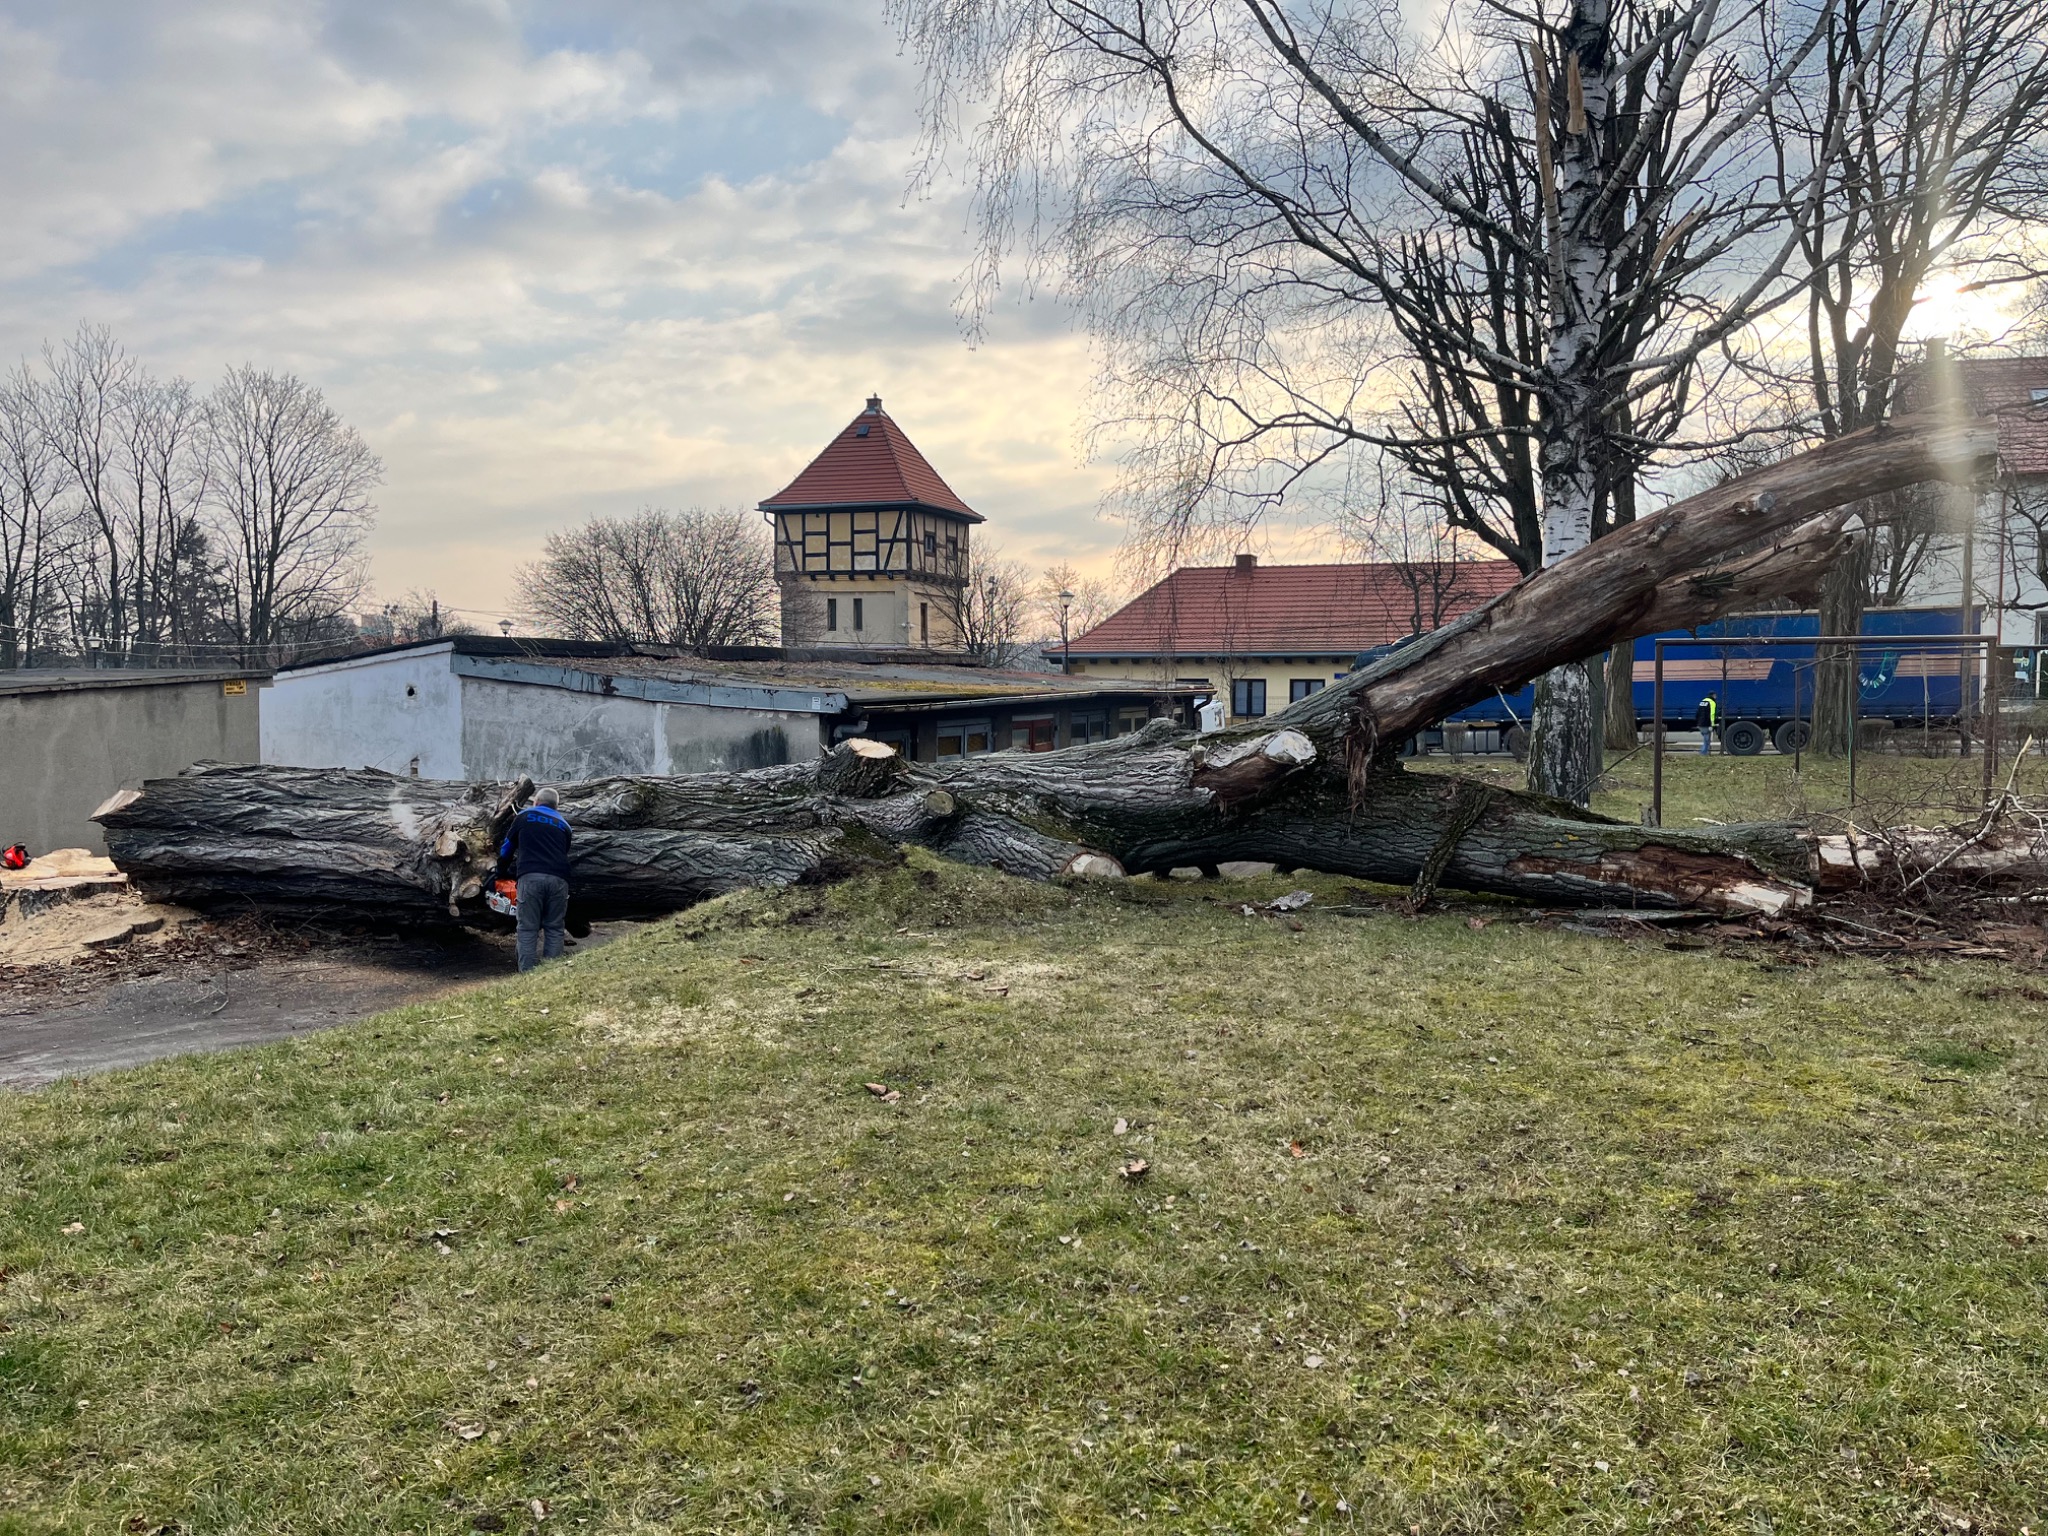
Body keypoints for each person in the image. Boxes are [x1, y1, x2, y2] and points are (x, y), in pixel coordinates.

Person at [501, 787, 572, 971]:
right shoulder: (564, 825)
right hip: (559, 880)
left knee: (527, 928)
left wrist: (500, 870)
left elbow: (507, 847)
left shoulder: (525, 816)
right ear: (556, 806)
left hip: (530, 878)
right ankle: (550, 976)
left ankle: (527, 976)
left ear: (536, 802)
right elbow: (563, 851)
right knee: (555, 928)